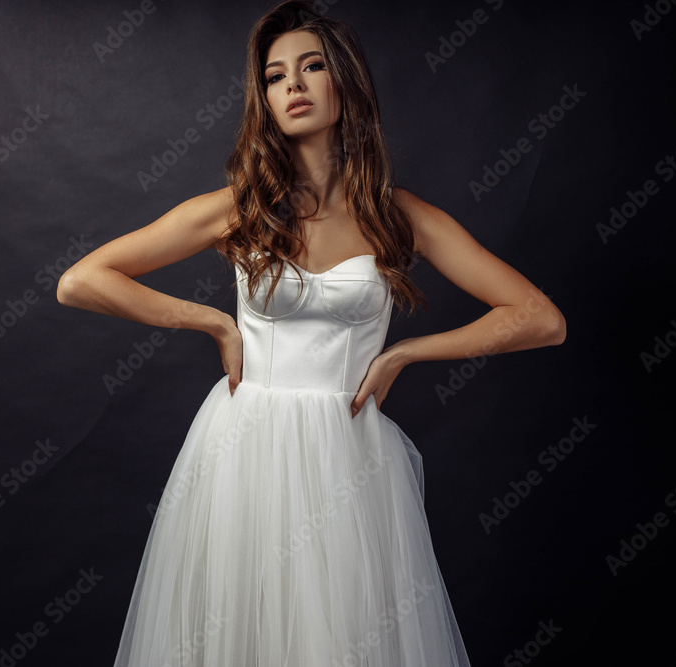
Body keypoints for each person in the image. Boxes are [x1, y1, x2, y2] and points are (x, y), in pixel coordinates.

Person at [57, 1, 565, 664]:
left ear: (343, 83)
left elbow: (540, 318)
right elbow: (83, 280)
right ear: (263, 98)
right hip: (243, 453)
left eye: (311, 66)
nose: (292, 85)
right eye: (274, 76)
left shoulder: (398, 216)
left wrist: (407, 353)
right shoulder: (240, 205)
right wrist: (210, 321)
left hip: (347, 461)